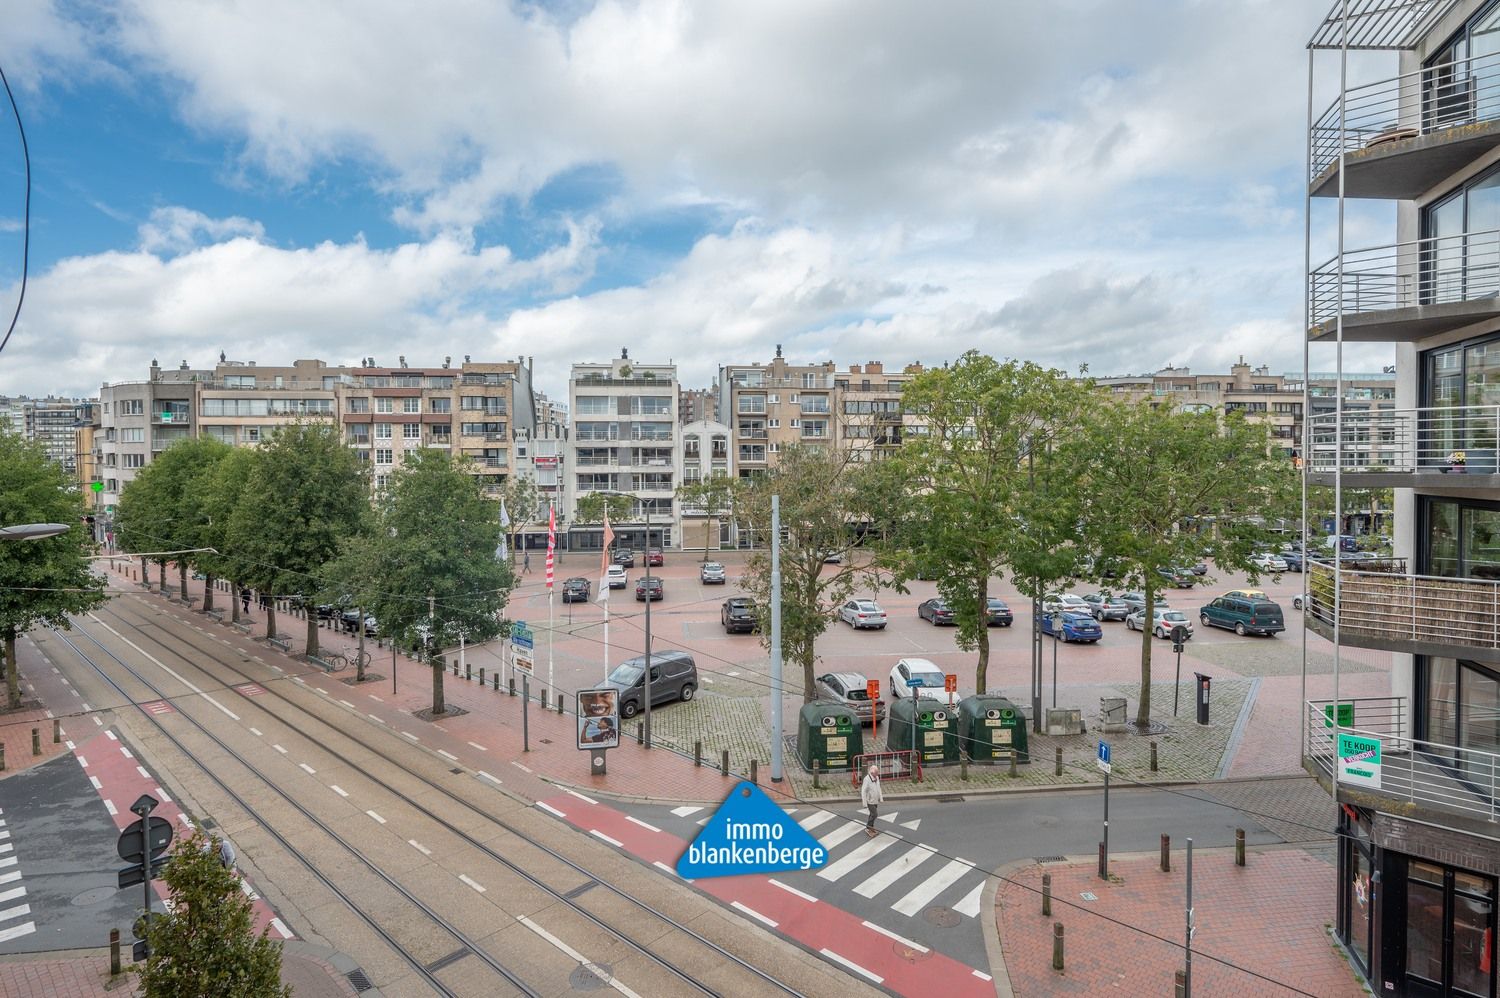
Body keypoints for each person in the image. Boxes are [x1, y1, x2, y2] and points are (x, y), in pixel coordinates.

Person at [860, 764, 883, 837]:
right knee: (875, 814)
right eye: (876, 773)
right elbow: (863, 791)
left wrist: (880, 797)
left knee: (872, 814)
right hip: (870, 801)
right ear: (872, 773)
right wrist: (864, 803)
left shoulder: (877, 778)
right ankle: (868, 827)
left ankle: (871, 827)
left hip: (875, 799)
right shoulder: (867, 779)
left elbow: (878, 787)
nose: (877, 774)